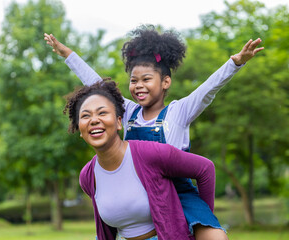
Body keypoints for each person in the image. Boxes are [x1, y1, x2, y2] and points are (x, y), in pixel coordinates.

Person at [45, 25, 264, 239]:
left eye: (146, 79)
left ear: (165, 82)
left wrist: (235, 63)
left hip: (179, 193)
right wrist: (68, 55)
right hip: (142, 188)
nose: (138, 85)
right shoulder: (128, 111)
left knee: (215, 236)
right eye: (133, 81)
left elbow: (208, 89)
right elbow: (97, 84)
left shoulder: (179, 111)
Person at [64, 79, 216, 240]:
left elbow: (205, 169)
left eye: (102, 113)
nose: (94, 120)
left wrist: (205, 223)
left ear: (118, 122)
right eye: (85, 116)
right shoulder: (88, 176)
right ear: (79, 129)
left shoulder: (151, 154)